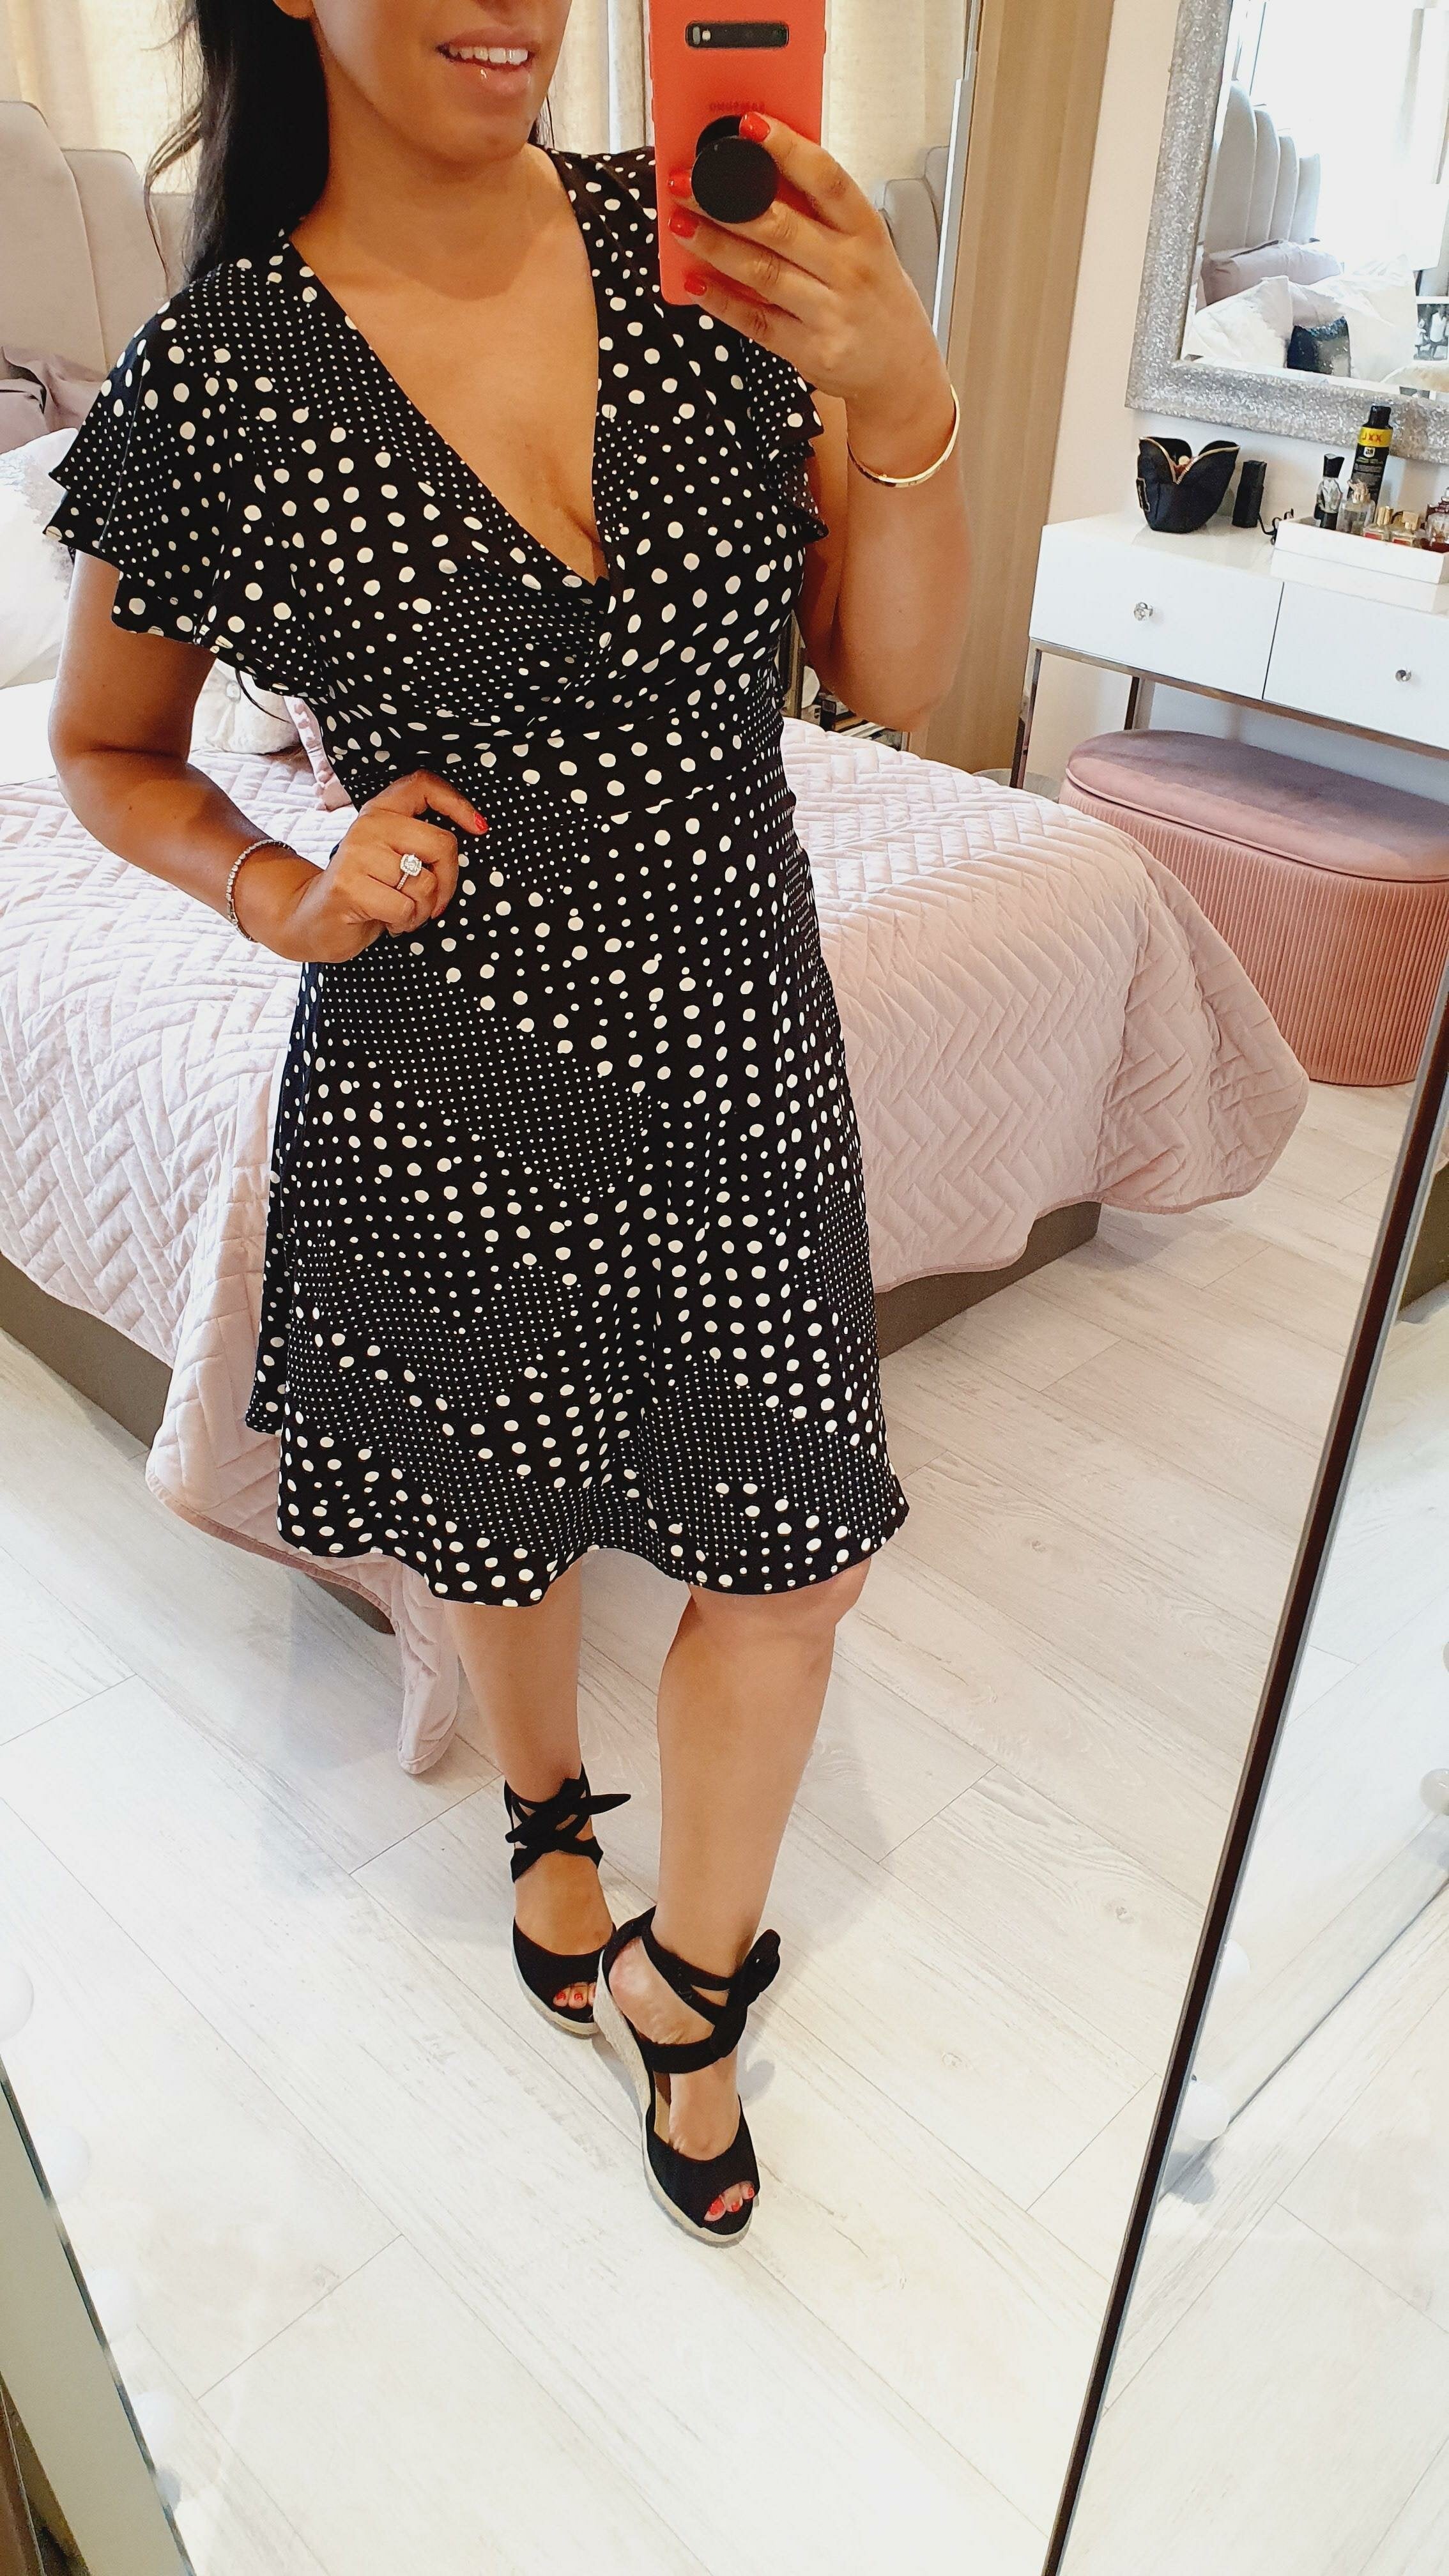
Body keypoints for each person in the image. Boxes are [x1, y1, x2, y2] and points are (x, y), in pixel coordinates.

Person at [48, 0, 970, 2244]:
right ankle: (548, 1818)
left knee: (795, 1556)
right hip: (448, 1049)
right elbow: (106, 750)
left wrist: (904, 399)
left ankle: (691, 1984)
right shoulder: (225, 373)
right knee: (496, 1499)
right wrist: (287, 888)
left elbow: (894, 680)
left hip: (736, 1032)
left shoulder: (704, 246)